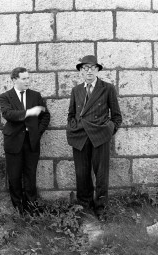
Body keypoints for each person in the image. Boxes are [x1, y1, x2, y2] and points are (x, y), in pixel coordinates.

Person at [66, 55, 122, 219]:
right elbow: (71, 114)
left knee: (101, 174)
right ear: (81, 72)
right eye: (85, 68)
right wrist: (72, 127)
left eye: (92, 68)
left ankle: (101, 208)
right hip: (80, 137)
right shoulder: (76, 90)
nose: (89, 71)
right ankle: (84, 205)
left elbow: (117, 116)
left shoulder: (107, 88)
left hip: (100, 137)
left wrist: (108, 130)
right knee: (81, 173)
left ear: (97, 70)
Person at [0, 67, 50, 214]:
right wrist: (29, 112)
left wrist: (37, 132)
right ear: (14, 80)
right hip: (13, 142)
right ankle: (18, 208)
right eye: (24, 78)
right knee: (14, 176)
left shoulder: (35, 95)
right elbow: (8, 114)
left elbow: (45, 116)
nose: (28, 81)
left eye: (28, 78)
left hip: (31, 142)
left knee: (30, 174)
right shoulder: (5, 96)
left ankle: (31, 207)